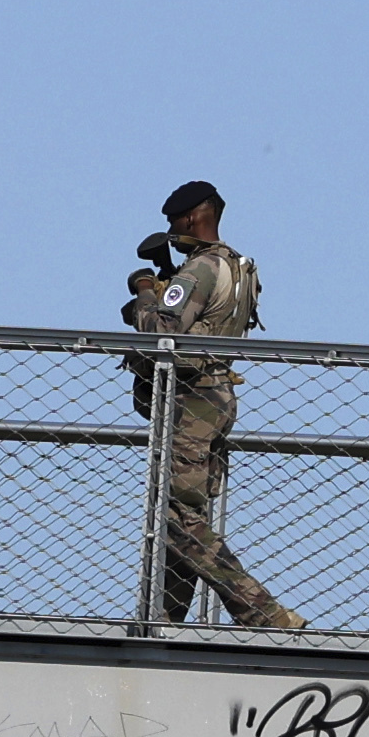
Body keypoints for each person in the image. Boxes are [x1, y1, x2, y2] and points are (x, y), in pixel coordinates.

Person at [123, 182, 306, 633]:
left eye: (173, 223)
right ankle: (160, 624)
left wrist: (145, 291)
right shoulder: (238, 267)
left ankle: (265, 614)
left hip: (193, 399)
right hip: (215, 394)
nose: (171, 231)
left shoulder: (202, 269)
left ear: (189, 219)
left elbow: (160, 331)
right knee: (185, 516)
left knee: (180, 522)